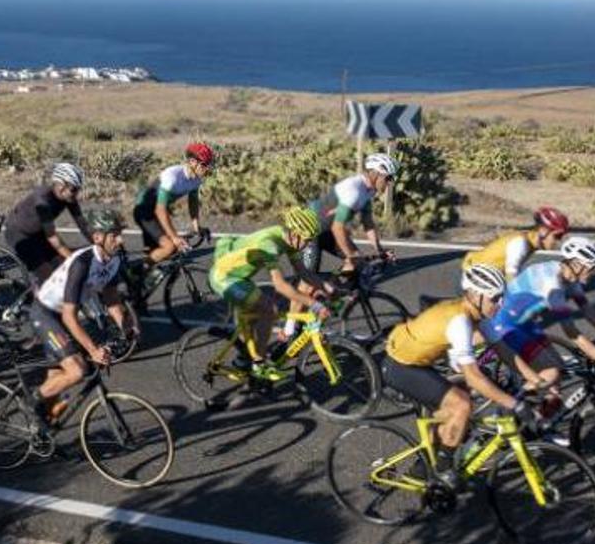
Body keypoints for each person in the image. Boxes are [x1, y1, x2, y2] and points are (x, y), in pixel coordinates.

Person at [383, 264, 521, 487]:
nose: (500, 304)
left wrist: (535, 379)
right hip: (401, 366)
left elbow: (503, 349)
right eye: (495, 298)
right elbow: (473, 376)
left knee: (457, 407)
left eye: (502, 297)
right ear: (476, 295)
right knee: (462, 405)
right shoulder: (460, 321)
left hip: (415, 360)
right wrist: (513, 404)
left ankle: (424, 466)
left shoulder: (476, 315)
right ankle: (443, 468)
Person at [483, 236, 595, 416]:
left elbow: (589, 311)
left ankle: (539, 428)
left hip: (525, 324)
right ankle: (505, 416)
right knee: (550, 374)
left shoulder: (569, 278)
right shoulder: (554, 287)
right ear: (577, 265)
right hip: (505, 325)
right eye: (592, 267)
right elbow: (572, 333)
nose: (594, 272)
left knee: (558, 373)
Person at [28, 209, 138, 426]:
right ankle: (31, 401)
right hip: (47, 313)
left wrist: (125, 326)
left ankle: (41, 430)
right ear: (98, 237)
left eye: (120, 233)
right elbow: (70, 317)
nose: (120, 239)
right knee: (78, 370)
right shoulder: (83, 262)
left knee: (59, 377)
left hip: (62, 317)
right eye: (114, 234)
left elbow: (111, 297)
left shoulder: (113, 260)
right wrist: (93, 350)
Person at [208, 207, 331, 382]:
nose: (309, 244)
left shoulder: (289, 240)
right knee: (268, 309)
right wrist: (314, 304)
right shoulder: (270, 244)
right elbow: (280, 285)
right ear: (295, 234)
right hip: (223, 277)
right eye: (307, 240)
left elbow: (304, 273)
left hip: (239, 276)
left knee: (256, 316)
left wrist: (330, 290)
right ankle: (259, 364)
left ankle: (244, 360)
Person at [304, 153, 398, 276]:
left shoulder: (368, 191)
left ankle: (336, 290)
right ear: (376, 174)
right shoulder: (353, 191)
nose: (390, 183)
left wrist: (380, 251)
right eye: (388, 178)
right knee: (308, 281)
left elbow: (368, 224)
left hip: (327, 231)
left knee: (357, 264)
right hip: (308, 232)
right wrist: (351, 255)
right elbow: (337, 228)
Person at [131, 143, 212, 276]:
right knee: (169, 247)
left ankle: (142, 277)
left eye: (209, 165)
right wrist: (174, 237)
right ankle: (132, 274)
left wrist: (196, 225)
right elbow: (160, 210)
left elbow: (193, 201)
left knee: (159, 254)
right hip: (145, 212)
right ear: (192, 161)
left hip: (157, 213)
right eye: (204, 164)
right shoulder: (173, 176)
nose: (207, 169)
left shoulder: (196, 179)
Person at [3, 163, 92, 282]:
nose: (76, 194)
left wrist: (99, 242)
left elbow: (83, 224)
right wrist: (71, 258)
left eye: (78, 189)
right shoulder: (42, 201)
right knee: (50, 278)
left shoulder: (68, 197)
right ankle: (40, 298)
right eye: (74, 189)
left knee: (62, 266)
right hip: (19, 235)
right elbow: (53, 238)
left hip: (39, 232)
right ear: (61, 186)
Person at [462, 206, 569, 281]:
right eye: (557, 236)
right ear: (543, 231)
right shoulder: (521, 244)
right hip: (478, 275)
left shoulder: (529, 240)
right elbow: (511, 276)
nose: (558, 240)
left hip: (488, 274)